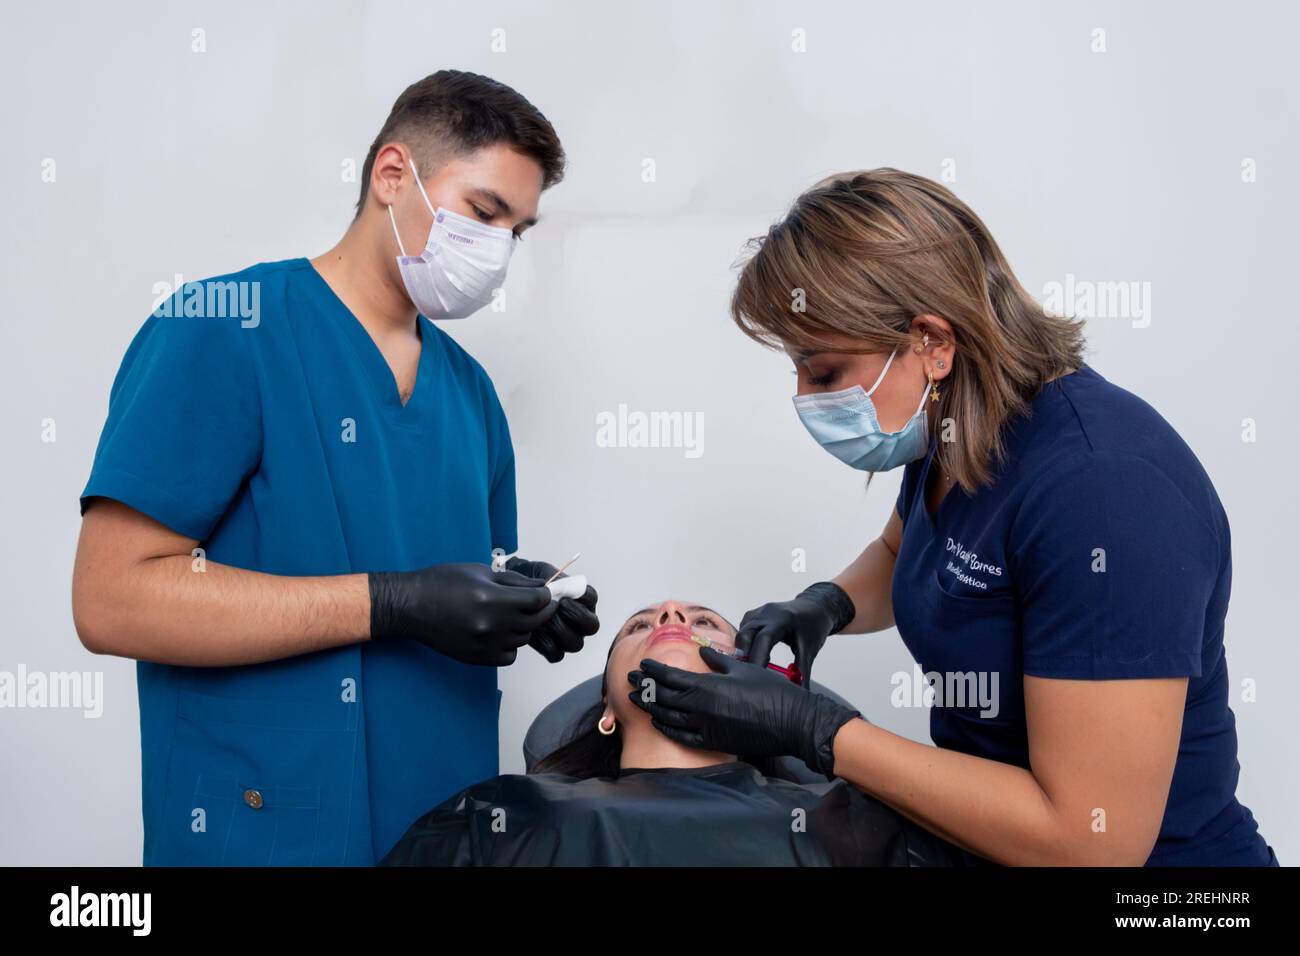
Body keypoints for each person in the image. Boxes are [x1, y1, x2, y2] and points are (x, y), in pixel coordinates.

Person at [628, 169, 1278, 866]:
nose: (803, 397)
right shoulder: (957, 428)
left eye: (822, 372)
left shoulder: (1104, 494)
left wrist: (818, 732)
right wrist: (825, 606)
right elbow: (906, 545)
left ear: (933, 342)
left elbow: (1090, 842)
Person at [71, 70, 598, 866]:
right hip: (263, 827)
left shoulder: (471, 396)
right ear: (394, 175)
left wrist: (517, 597)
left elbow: (459, 580)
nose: (496, 250)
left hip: (443, 829)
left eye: (515, 231)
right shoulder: (225, 329)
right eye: (484, 212)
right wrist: (397, 602)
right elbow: (112, 600)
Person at [380, 600, 966, 866]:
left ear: (757, 683)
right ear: (606, 708)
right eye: (643, 623)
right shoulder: (501, 814)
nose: (672, 619)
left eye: (705, 621)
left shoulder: (852, 819)